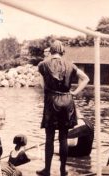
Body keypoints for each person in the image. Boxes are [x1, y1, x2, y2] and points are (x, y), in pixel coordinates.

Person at [36, 40, 89, 176]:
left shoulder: (42, 65)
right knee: (63, 137)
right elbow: (86, 78)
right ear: (62, 52)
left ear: (51, 51)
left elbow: (42, 85)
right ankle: (62, 170)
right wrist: (75, 92)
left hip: (51, 101)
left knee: (49, 137)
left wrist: (50, 91)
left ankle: (47, 170)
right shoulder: (71, 65)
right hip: (67, 101)